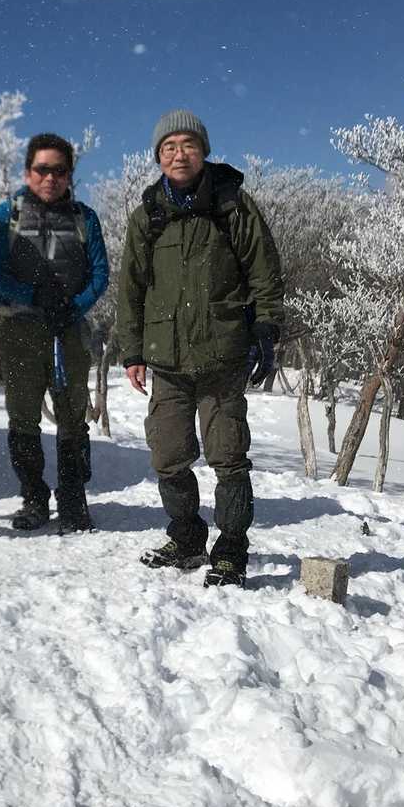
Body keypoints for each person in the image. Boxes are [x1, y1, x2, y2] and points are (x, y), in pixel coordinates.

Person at [116, 109, 283, 586]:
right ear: (158, 157)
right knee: (167, 455)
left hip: (222, 356)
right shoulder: (147, 216)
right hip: (166, 360)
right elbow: (131, 289)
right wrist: (132, 351)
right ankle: (187, 537)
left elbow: (264, 272)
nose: (179, 154)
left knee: (228, 455)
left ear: (204, 151)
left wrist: (266, 328)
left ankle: (231, 548)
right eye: (169, 147)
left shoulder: (233, 206)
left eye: (188, 145)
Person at [0, 133, 109, 532]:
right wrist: (33, 295)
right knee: (23, 418)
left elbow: (100, 274)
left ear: (69, 175)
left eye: (59, 170)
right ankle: (34, 497)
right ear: (27, 172)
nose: (50, 177)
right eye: (42, 169)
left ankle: (73, 499)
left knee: (72, 416)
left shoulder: (84, 218)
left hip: (69, 329)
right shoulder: (7, 216)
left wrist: (74, 306)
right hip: (21, 329)